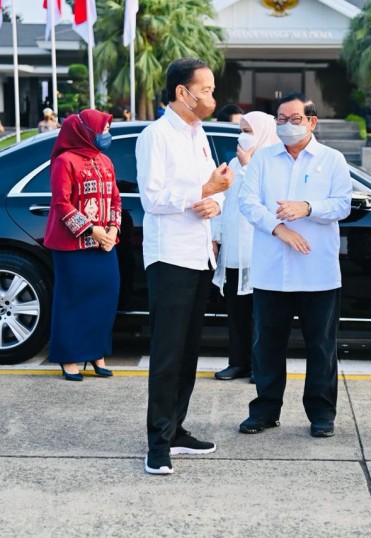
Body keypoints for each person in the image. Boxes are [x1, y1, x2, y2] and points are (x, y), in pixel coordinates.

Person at [136, 58, 233, 475]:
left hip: (198, 255)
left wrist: (216, 199)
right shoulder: (155, 135)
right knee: (168, 352)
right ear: (182, 92)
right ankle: (157, 443)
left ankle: (176, 430)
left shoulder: (199, 134)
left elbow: (216, 189)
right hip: (170, 256)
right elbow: (152, 199)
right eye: (206, 90)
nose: (212, 97)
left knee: (190, 349)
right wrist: (205, 189)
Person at [238, 92, 352, 438]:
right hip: (271, 270)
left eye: (295, 119)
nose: (286, 125)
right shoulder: (263, 159)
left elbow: (342, 205)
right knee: (267, 345)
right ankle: (266, 410)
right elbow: (247, 201)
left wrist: (308, 207)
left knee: (320, 347)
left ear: (312, 121)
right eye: (281, 119)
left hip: (317, 271)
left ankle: (321, 414)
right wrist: (279, 229)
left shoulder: (332, 159)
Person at [43, 109, 121, 381]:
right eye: (103, 130)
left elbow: (115, 199)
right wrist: (91, 230)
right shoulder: (65, 161)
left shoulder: (105, 160)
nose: (107, 135)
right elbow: (61, 202)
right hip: (71, 246)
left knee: (106, 296)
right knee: (73, 300)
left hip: (104, 245)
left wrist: (112, 228)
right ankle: (69, 357)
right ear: (86, 132)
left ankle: (97, 353)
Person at [212, 111, 279, 382]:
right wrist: (216, 238)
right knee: (236, 311)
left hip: (259, 251)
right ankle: (238, 361)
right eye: (241, 129)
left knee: (261, 314)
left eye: (249, 130)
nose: (243, 135)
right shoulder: (233, 163)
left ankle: (258, 365)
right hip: (234, 249)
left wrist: (249, 164)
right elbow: (223, 202)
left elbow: (268, 199)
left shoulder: (272, 161)